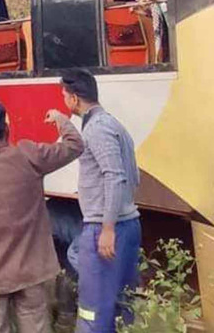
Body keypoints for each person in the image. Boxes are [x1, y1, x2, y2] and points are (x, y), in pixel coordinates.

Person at [0, 100, 84, 333]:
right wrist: (61, 120)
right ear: (7, 129)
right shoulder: (29, 155)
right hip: (31, 270)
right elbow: (75, 145)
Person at [61, 69, 141, 332]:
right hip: (127, 224)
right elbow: (133, 175)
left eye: (64, 95)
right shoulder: (114, 124)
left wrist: (107, 228)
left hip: (105, 229)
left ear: (74, 99)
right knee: (121, 302)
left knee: (92, 309)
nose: (64, 100)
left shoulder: (96, 129)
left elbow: (115, 176)